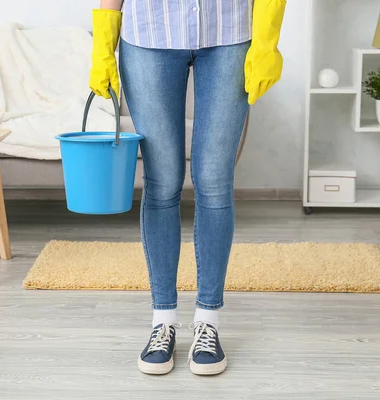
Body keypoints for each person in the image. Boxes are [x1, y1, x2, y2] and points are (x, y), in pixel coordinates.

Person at [89, 0, 286, 375]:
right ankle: (162, 320)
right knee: (162, 182)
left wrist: (267, 40)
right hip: (149, 32)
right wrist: (103, 44)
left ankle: (208, 320)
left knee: (214, 181)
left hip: (230, 32)